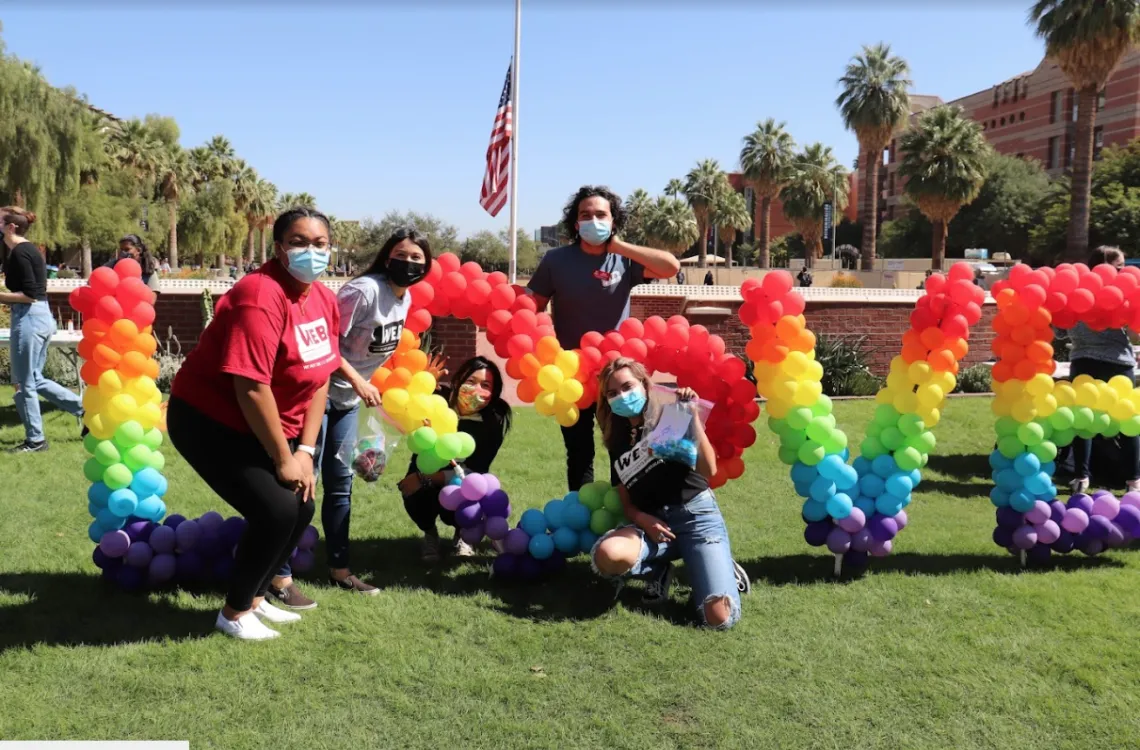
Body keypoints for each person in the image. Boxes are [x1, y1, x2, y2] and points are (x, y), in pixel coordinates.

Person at [166, 207, 340, 640]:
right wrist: (283, 457)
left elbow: (320, 377)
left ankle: (257, 600)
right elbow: (251, 388)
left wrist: (305, 451)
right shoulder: (259, 295)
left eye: (320, 244)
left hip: (271, 423)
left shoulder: (323, 298)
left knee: (302, 507)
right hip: (209, 418)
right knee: (277, 509)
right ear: (279, 248)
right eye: (299, 242)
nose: (311, 252)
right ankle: (234, 612)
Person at [267, 226, 435, 609]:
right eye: (401, 255)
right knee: (303, 484)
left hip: (346, 403)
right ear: (386, 255)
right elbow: (321, 339)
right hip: (313, 396)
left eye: (416, 259)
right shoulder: (364, 291)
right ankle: (279, 574)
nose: (407, 263)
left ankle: (340, 570)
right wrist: (358, 380)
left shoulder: (404, 299)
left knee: (342, 485)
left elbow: (376, 354)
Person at [527, 185, 681, 491]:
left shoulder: (625, 260)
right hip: (571, 376)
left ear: (612, 221)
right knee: (579, 453)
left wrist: (619, 247)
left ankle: (623, 519)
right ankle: (582, 516)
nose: (593, 220)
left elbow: (670, 267)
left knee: (622, 450)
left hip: (617, 376)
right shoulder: (556, 260)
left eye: (601, 214)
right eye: (585, 215)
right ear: (575, 223)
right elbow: (532, 308)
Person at [590, 357, 748, 630]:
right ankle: (661, 569)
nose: (622, 396)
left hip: (696, 519)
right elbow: (626, 499)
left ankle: (718, 565)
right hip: (655, 526)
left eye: (628, 387)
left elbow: (708, 469)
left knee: (718, 619)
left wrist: (692, 416)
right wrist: (644, 520)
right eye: (613, 393)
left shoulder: (671, 416)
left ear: (644, 384)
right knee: (607, 555)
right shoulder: (615, 437)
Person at [397, 356, 513, 561]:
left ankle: (463, 534)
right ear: (458, 381)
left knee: (468, 496)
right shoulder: (437, 400)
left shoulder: (492, 422)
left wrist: (427, 478)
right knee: (413, 493)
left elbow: (476, 469)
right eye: (470, 381)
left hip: (462, 479)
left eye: (485, 385)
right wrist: (422, 383)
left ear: (493, 393)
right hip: (424, 467)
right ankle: (430, 534)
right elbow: (399, 402)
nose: (475, 390)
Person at [0, 207, 84, 453]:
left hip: (29, 317)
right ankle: (84, 410)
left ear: (11, 227)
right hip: (39, 317)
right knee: (34, 379)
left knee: (23, 382)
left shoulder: (22, 253)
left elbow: (28, 295)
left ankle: (35, 440)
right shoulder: (22, 251)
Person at [1068, 246, 1140, 494]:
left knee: (1083, 422)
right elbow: (1135, 334)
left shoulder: (1075, 291)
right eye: (1119, 266)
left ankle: (1081, 478)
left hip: (1083, 362)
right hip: (1118, 364)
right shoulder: (1123, 293)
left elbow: (1059, 329)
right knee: (1127, 421)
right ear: (1106, 266)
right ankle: (1133, 482)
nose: (1124, 270)